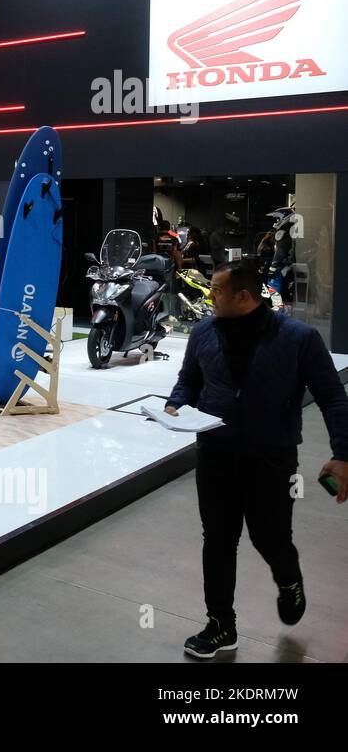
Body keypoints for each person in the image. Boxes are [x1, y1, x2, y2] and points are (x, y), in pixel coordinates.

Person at [165, 261, 348, 660]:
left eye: (215, 291)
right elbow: (189, 380)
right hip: (215, 453)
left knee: (271, 539)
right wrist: (175, 405)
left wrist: (342, 454)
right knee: (217, 539)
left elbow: (333, 396)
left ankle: (289, 580)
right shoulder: (202, 332)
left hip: (271, 458)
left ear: (243, 296)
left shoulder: (298, 338)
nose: (209, 296)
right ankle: (220, 624)